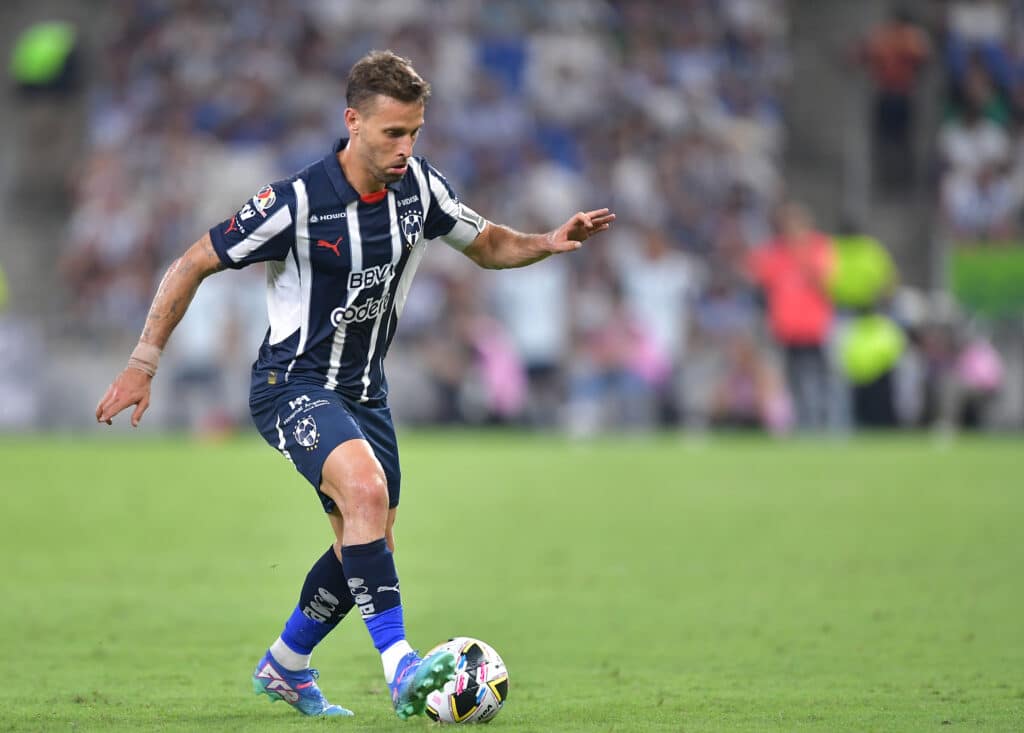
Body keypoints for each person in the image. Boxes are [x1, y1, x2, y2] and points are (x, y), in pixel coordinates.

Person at [95, 50, 614, 719]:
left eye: (415, 133)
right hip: (292, 383)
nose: (406, 148)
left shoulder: (420, 190)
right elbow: (193, 261)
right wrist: (143, 362)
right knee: (365, 494)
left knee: (366, 544)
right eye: (393, 133)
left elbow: (487, 245)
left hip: (366, 393)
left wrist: (548, 238)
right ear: (353, 122)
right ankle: (403, 671)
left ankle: (285, 664)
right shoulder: (296, 202)